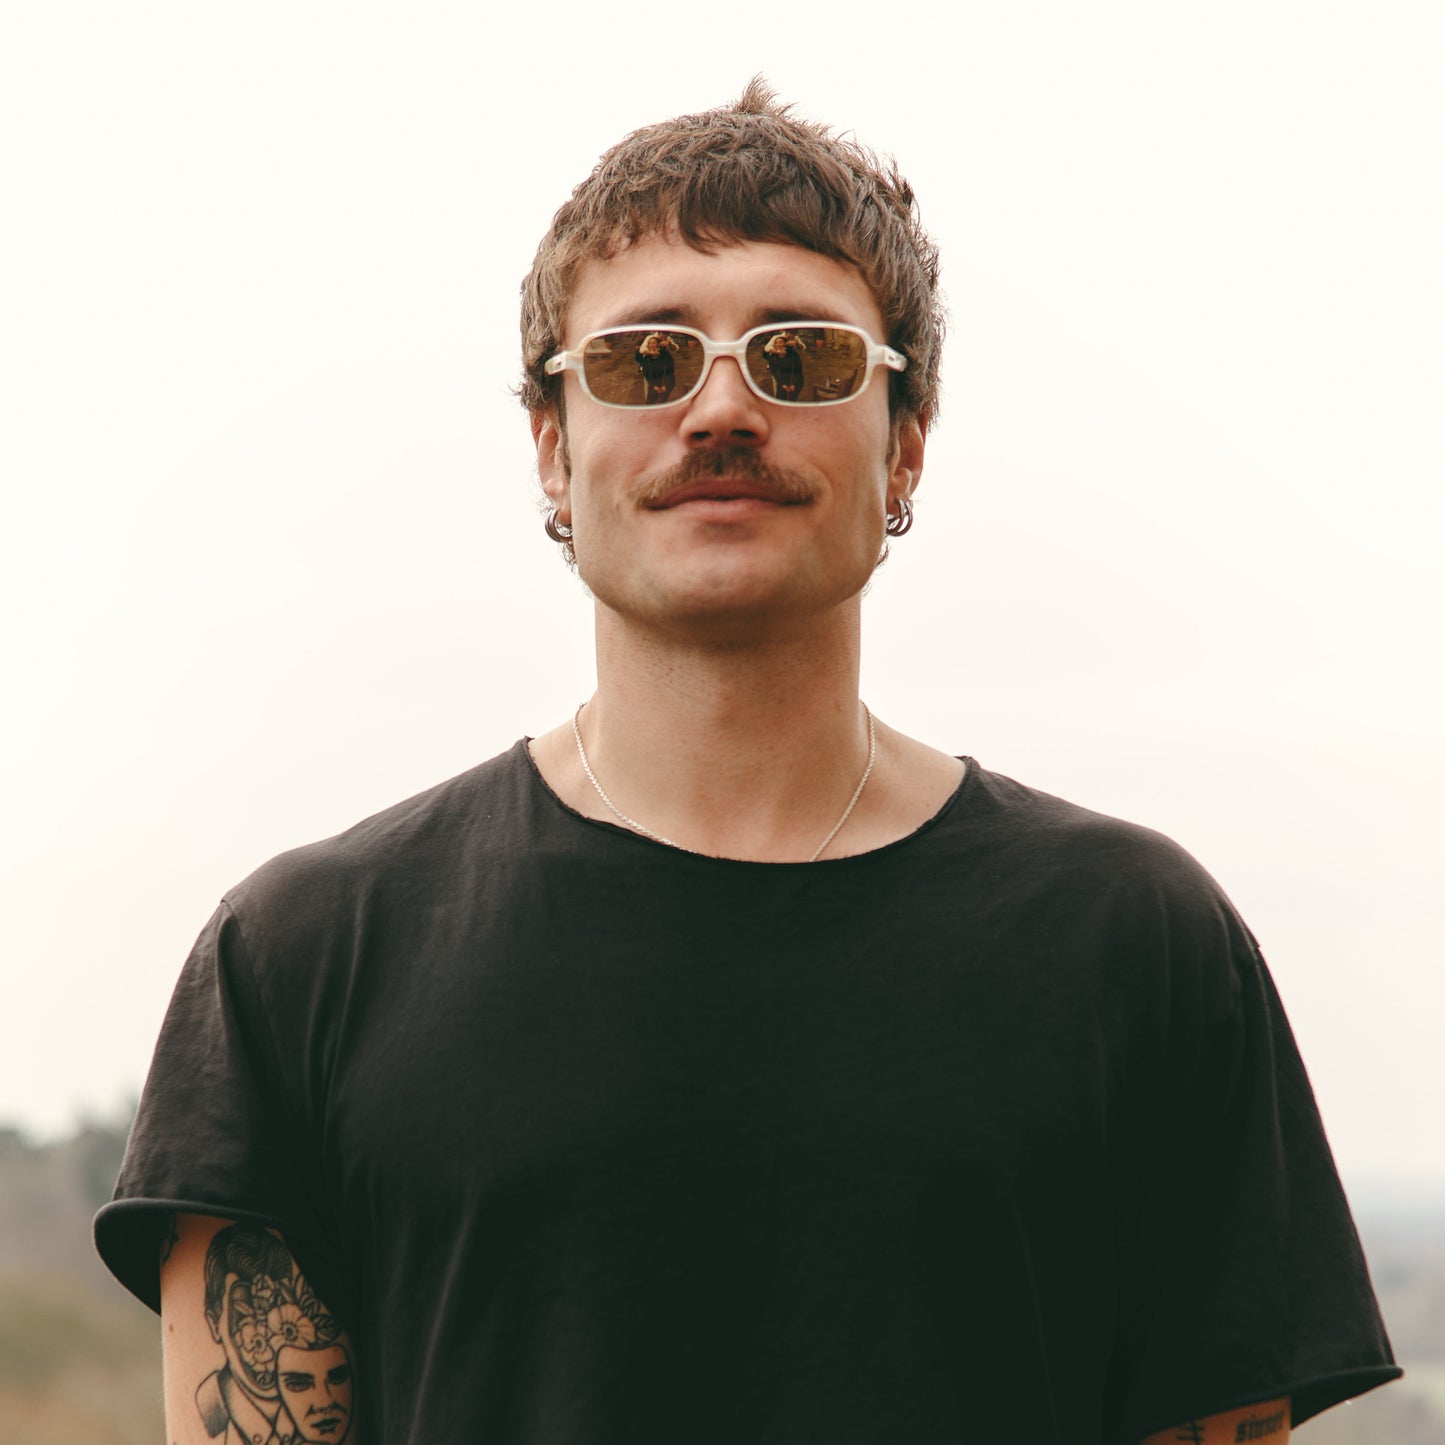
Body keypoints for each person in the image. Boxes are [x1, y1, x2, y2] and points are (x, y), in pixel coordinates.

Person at [96, 80, 1401, 1444]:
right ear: (553, 449)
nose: (721, 407)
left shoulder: (1139, 946)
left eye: (803, 358)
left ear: (904, 446)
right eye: (645, 361)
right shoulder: (303, 961)